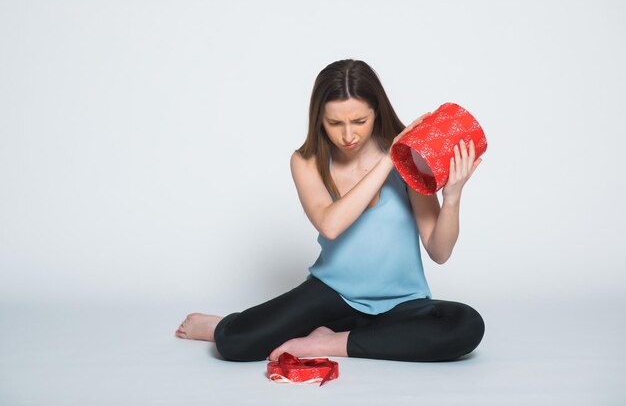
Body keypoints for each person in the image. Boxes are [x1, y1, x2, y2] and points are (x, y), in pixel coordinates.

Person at [175, 59, 485, 363]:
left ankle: (331, 342)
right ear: (318, 118)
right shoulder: (306, 161)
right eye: (335, 123)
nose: (348, 135)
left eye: (359, 122)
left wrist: (453, 196)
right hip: (332, 294)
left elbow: (439, 251)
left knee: (466, 325)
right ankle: (221, 324)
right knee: (234, 343)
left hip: (400, 304)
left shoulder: (409, 157)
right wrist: (390, 160)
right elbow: (331, 225)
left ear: (377, 112)